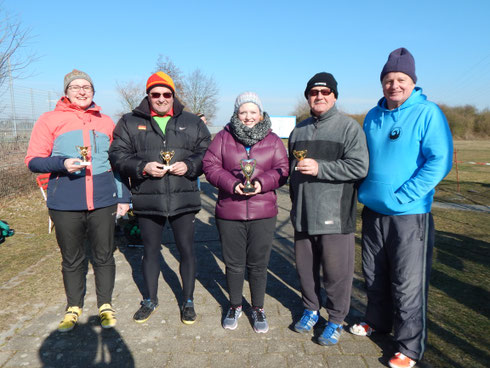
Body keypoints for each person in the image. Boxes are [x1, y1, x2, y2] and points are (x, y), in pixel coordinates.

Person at [353, 48, 453, 368]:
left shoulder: (428, 113)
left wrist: (405, 195)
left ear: (412, 82)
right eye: (388, 79)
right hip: (373, 211)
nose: (394, 85)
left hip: (410, 214)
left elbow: (440, 161)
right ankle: (377, 322)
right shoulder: (372, 115)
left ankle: (409, 347)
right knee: (374, 274)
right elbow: (363, 159)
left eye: (401, 79)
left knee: (407, 282)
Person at [25, 69, 130, 332]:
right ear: (66, 92)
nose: (82, 91)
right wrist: (61, 163)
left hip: (104, 200)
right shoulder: (49, 120)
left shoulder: (106, 122)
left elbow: (117, 163)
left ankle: (105, 304)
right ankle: (74, 307)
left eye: (87, 87)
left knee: (104, 256)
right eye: (76, 87)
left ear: (93, 92)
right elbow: (33, 160)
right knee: (72, 259)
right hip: (65, 202)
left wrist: (124, 196)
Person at [109, 71, 211, 325]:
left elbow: (207, 153)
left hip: (183, 199)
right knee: (151, 252)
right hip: (148, 199)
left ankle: (187, 301)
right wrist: (142, 167)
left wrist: (190, 166)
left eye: (167, 94)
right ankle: (150, 299)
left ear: (173, 95)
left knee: (187, 251)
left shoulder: (192, 121)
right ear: (148, 96)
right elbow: (117, 155)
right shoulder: (130, 122)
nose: (162, 98)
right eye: (156, 94)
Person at [289, 72, 369, 345]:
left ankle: (335, 320)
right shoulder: (298, 129)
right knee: (305, 271)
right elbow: (292, 169)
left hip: (335, 216)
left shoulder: (349, 128)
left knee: (337, 275)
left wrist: (321, 168)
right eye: (314, 92)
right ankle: (311, 310)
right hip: (302, 214)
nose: (319, 96)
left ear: (334, 96)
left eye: (325, 92)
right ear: (308, 97)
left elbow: (360, 167)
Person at [202, 92, 288, 333]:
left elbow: (283, 168)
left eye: (253, 112)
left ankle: (258, 308)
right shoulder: (222, 137)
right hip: (230, 211)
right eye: (243, 112)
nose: (248, 117)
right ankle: (235, 305)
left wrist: (262, 183)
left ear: (260, 115)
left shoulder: (273, 140)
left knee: (259, 265)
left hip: (263, 212)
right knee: (234, 264)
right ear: (236, 114)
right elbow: (210, 166)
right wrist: (231, 184)